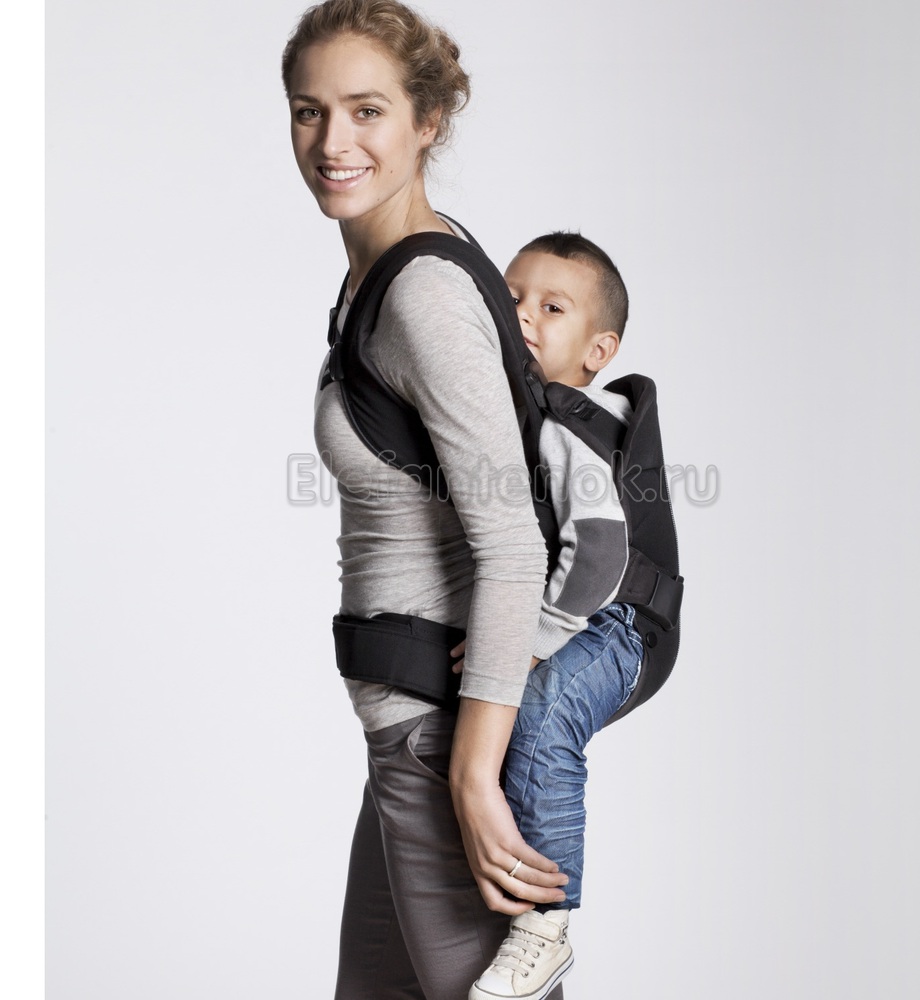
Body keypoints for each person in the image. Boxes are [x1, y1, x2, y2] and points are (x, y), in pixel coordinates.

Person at [282, 2, 571, 998]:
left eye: (367, 110)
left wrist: (473, 776)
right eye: (310, 111)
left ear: (428, 121)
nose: (333, 142)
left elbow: (514, 544)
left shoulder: (423, 295)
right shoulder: (386, 273)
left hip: (440, 744)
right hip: (408, 740)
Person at [455, 234, 645, 1000]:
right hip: (590, 615)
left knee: (540, 713)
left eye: (553, 307)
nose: (524, 315)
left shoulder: (568, 423)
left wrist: (526, 645)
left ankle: (546, 926)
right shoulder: (533, 414)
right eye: (512, 297)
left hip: (616, 624)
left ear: (599, 350)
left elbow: (597, 552)